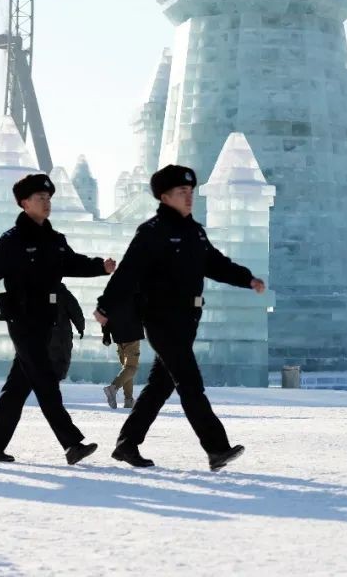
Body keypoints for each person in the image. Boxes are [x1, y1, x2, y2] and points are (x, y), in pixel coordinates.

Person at [94, 165, 266, 471]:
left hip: (188, 318)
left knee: (161, 384)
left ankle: (126, 444)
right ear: (164, 196)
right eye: (181, 193)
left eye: (191, 192)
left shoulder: (194, 231)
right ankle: (216, 448)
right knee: (189, 382)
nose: (189, 197)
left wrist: (247, 279)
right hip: (161, 317)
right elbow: (128, 273)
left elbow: (216, 264)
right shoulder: (152, 232)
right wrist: (105, 306)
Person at [0, 173, 115, 465]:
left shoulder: (54, 239)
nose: (46, 202)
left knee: (18, 385)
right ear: (24, 203)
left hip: (48, 320)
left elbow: (72, 263)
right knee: (46, 381)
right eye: (40, 198)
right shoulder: (12, 241)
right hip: (23, 321)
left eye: (49, 198)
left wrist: (100, 266)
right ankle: (72, 443)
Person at [100, 293, 143, 409]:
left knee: (127, 368)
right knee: (131, 368)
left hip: (118, 336)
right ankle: (113, 387)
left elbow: (104, 315)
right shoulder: (136, 293)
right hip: (132, 335)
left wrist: (106, 334)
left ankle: (128, 400)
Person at [47, 283, 85, 381]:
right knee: (61, 358)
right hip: (61, 335)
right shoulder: (63, 293)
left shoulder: (35, 291)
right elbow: (75, 310)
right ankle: (54, 381)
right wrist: (81, 327)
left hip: (43, 334)